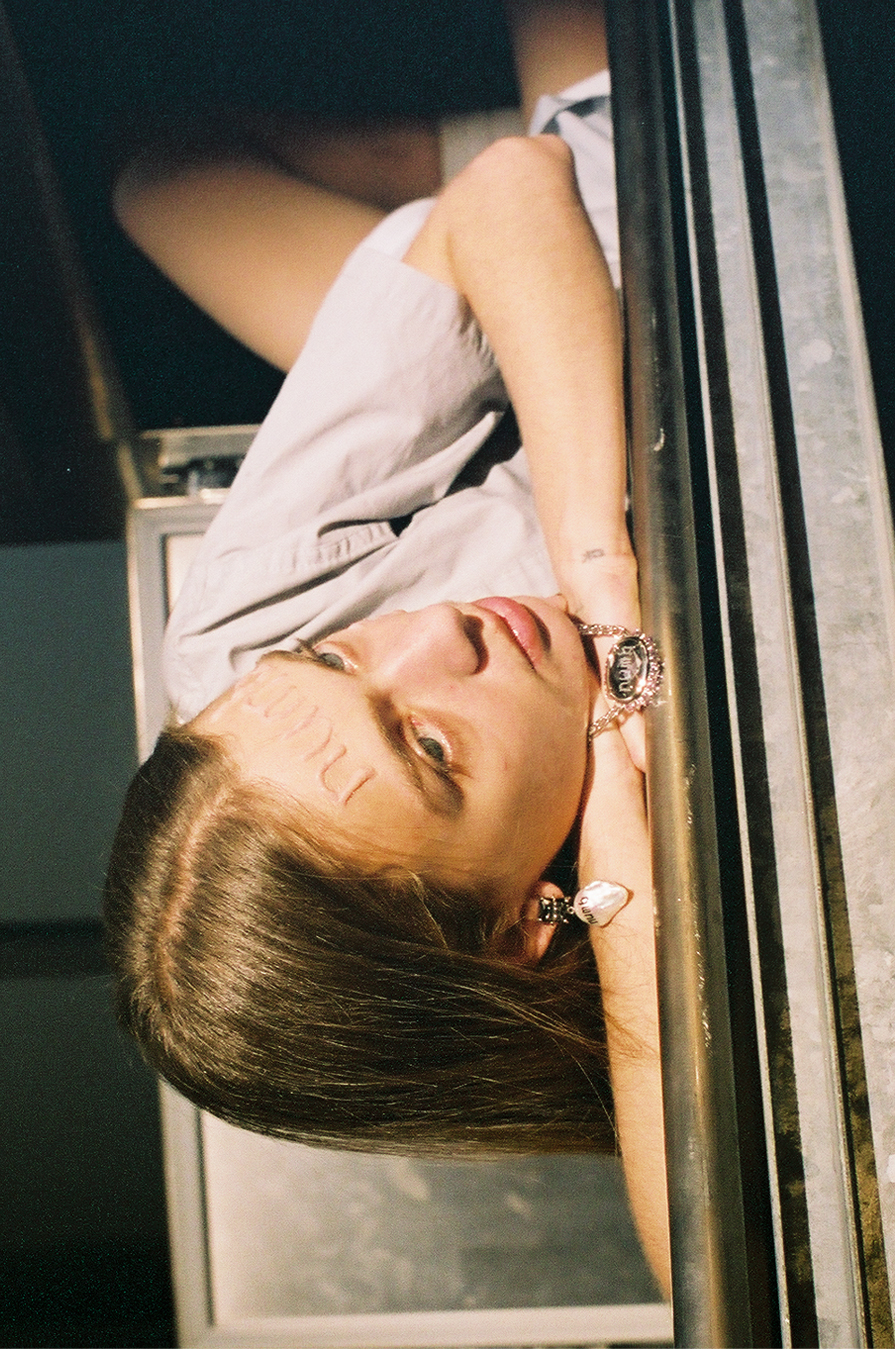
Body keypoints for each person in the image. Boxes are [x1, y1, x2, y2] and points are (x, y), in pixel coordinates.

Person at [104, 0, 671, 1296]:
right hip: (601, 257)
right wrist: (627, 926)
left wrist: (600, 566)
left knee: (158, 178)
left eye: (340, 661)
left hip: (599, 219)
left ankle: (416, 221)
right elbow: (711, 1255)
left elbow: (516, 194)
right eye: (427, 746)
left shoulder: (240, 665)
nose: (432, 636)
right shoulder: (652, 909)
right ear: (520, 930)